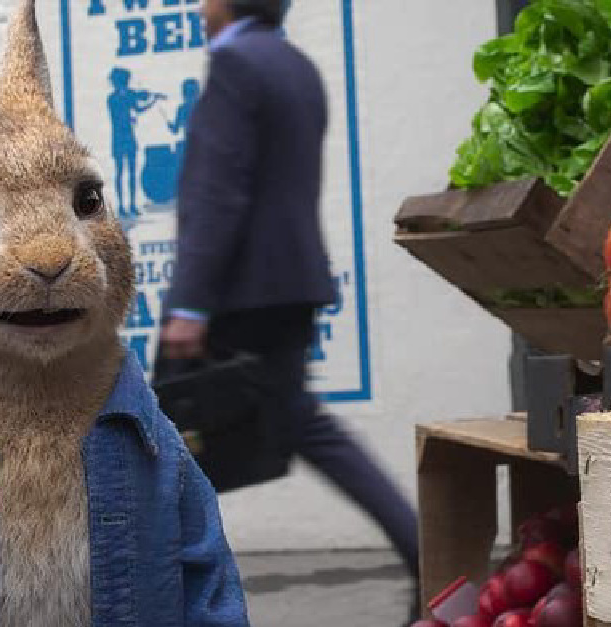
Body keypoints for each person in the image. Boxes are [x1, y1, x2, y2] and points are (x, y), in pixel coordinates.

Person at [159, 0, 421, 617]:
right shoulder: (295, 65)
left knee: (174, 438)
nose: (200, 8)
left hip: (240, 294)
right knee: (289, 426)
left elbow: (217, 194)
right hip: (289, 284)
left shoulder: (234, 67)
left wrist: (190, 304)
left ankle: (426, 550)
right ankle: (425, 550)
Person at [107, 67, 166, 218]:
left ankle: (131, 205)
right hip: (119, 138)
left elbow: (137, 106)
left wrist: (151, 99)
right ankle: (121, 206)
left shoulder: (127, 95)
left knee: (132, 172)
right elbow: (123, 114)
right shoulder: (113, 98)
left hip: (128, 138)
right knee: (120, 172)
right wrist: (148, 101)